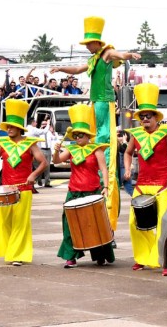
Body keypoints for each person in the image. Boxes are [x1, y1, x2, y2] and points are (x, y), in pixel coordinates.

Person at [50, 16, 141, 233]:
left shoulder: (106, 54)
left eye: (89, 43)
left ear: (97, 43)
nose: (88, 47)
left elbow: (120, 55)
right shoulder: (92, 60)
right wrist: (60, 69)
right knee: (94, 135)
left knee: (105, 140)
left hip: (106, 102)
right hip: (96, 103)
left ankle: (107, 167)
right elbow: (78, 70)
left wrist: (130, 55)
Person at [123, 83, 167, 276]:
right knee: (134, 224)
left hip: (161, 185)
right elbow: (127, 152)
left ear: (156, 117)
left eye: (148, 116)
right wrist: (128, 167)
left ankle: (164, 261)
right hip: (141, 185)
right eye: (141, 116)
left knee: (162, 225)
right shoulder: (136, 135)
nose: (144, 119)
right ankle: (142, 258)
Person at [0, 99, 48, 266]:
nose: (9, 129)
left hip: (24, 188)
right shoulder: (3, 143)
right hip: (5, 188)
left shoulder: (30, 144)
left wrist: (34, 175)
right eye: (7, 127)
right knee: (3, 221)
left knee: (20, 222)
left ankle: (18, 254)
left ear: (19, 128)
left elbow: (43, 162)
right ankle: (9, 250)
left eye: (12, 127)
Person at [52, 104, 114, 268]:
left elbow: (104, 170)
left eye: (81, 135)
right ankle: (71, 257)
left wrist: (106, 188)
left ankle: (100, 255)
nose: (78, 137)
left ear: (88, 136)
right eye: (76, 135)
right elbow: (57, 161)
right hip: (74, 192)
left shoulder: (97, 150)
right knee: (69, 225)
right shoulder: (71, 150)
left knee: (96, 225)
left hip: (92, 192)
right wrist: (56, 151)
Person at [26, 117, 51, 188]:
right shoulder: (33, 129)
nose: (36, 123)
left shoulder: (27, 129)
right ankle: (33, 182)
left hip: (29, 151)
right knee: (38, 167)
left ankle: (34, 183)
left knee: (32, 167)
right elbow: (44, 131)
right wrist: (48, 124)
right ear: (32, 122)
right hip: (34, 151)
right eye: (35, 122)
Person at [117, 130, 133, 196]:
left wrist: (124, 141)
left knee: (128, 188)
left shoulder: (123, 145)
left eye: (119, 136)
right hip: (125, 170)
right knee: (129, 189)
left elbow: (126, 150)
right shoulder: (119, 146)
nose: (117, 137)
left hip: (122, 171)